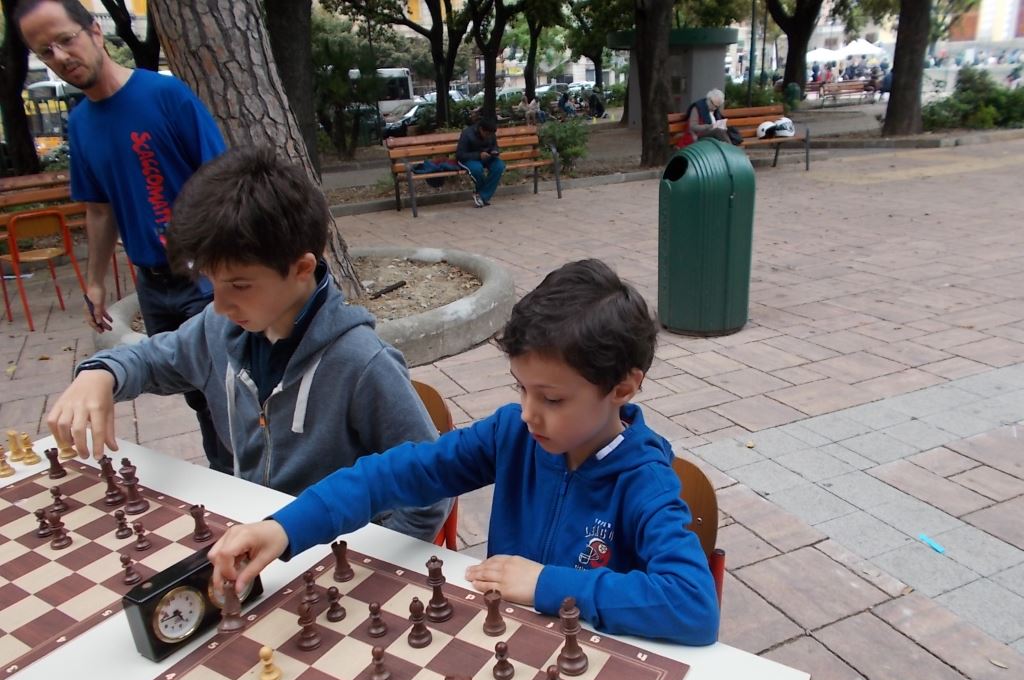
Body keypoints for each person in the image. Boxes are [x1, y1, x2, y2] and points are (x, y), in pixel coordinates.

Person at [209, 259, 721, 646]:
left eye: (553, 398)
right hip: (507, 642)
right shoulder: (512, 434)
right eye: (520, 388)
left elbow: (693, 605)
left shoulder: (645, 480)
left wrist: (546, 583)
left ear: (623, 389)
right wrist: (285, 526)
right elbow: (390, 476)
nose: (527, 413)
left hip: (591, 661)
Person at [46, 146, 449, 543]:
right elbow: (150, 360)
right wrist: (100, 374)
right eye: (211, 283)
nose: (219, 305)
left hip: (329, 556)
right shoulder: (217, 330)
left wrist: (369, 564)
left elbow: (431, 486)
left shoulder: (362, 363)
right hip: (252, 534)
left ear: (301, 269)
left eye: (239, 285)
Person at [16, 0, 232, 474]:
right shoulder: (80, 124)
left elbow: (222, 179)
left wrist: (227, 269)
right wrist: (94, 282)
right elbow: (98, 208)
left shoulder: (166, 95)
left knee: (228, 391)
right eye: (45, 51)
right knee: (196, 393)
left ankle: (250, 484)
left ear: (95, 31)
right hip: (153, 284)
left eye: (65, 39)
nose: (60, 55)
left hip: (205, 275)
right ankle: (227, 480)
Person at [456, 115, 505, 208]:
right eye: (487, 134)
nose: (489, 137)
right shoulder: (467, 134)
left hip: (487, 157)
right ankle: (482, 196)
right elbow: (460, 154)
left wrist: (494, 151)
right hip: (469, 159)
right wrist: (478, 155)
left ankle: (482, 196)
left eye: (491, 135)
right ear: (481, 129)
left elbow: (494, 146)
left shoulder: (491, 133)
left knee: (499, 166)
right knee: (477, 169)